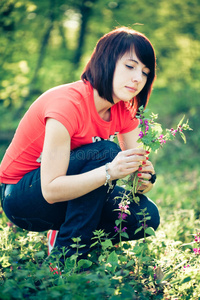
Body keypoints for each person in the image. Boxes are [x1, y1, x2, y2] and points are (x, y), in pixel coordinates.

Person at [0, 27, 159, 264]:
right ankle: (66, 260)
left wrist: (144, 178)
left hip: (67, 193)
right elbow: (51, 190)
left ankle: (69, 238)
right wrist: (109, 171)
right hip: (22, 198)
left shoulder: (123, 110)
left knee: (145, 217)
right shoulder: (67, 104)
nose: (138, 78)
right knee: (106, 152)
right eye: (130, 66)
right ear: (105, 60)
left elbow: (135, 168)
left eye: (145, 72)